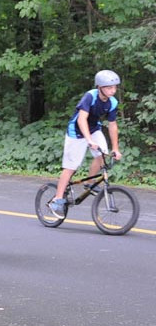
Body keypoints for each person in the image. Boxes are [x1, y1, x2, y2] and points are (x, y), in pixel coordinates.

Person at [49, 70, 122, 219]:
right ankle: (57, 199)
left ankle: (89, 182)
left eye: (114, 87)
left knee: (102, 154)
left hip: (94, 129)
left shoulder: (112, 102)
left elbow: (112, 125)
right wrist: (89, 140)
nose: (113, 90)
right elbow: (82, 119)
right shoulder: (90, 96)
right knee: (71, 167)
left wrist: (115, 148)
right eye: (109, 87)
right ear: (99, 87)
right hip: (76, 132)